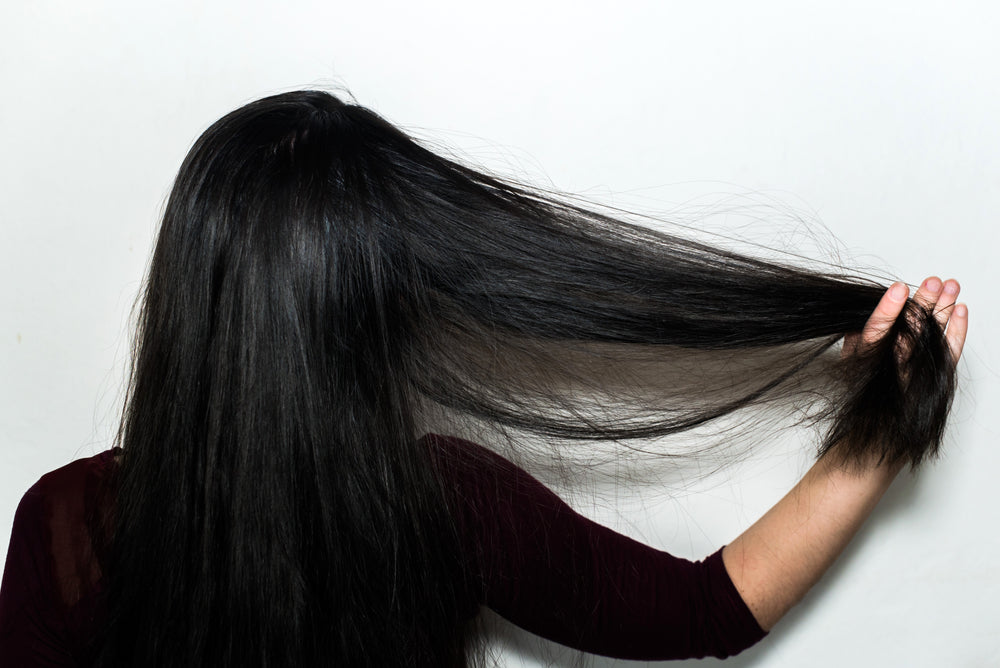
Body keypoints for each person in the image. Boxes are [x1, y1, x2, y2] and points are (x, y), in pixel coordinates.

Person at [0, 90, 967, 667]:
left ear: (188, 295)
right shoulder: (441, 502)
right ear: (378, 308)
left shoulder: (68, 524)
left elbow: (701, 610)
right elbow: (709, 609)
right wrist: (879, 432)